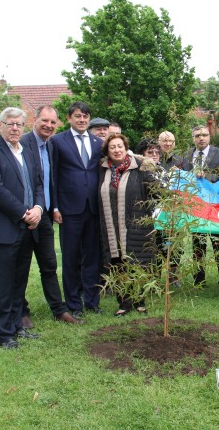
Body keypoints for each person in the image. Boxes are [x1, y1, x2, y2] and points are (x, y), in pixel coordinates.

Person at [0, 107, 44, 349]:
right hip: (4, 229)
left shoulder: (26, 152)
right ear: (0, 125)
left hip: (27, 229)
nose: (15, 128)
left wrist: (38, 208)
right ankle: (4, 334)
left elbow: (38, 185)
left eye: (18, 124)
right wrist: (23, 213)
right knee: (4, 283)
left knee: (19, 283)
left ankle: (17, 326)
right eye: (10, 123)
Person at [19, 106, 81, 327]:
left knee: (49, 264)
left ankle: (59, 309)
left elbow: (51, 180)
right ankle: (22, 311)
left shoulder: (51, 146)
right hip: (25, 216)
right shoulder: (23, 144)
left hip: (44, 214)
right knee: (21, 266)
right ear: (34, 120)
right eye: (45, 121)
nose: (49, 125)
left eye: (53, 123)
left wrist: (53, 207)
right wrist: (27, 211)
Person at [50, 102, 104, 317]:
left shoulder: (98, 142)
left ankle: (92, 301)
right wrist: (54, 206)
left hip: (93, 208)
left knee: (92, 258)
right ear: (69, 118)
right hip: (69, 210)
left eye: (86, 116)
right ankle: (74, 304)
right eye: (78, 116)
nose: (82, 120)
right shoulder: (57, 141)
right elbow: (51, 176)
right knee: (71, 258)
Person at [98, 134, 158, 316]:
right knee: (117, 264)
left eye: (120, 146)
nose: (117, 150)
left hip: (135, 225)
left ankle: (140, 300)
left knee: (137, 263)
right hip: (111, 226)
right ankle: (123, 302)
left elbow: (155, 190)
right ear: (107, 151)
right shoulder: (102, 170)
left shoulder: (140, 168)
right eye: (112, 147)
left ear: (126, 148)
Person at [182, 125, 219, 290]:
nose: (201, 138)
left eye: (204, 135)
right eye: (197, 135)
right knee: (197, 246)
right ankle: (199, 281)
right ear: (193, 138)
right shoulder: (186, 155)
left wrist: (207, 176)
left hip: (215, 206)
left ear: (209, 137)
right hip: (195, 208)